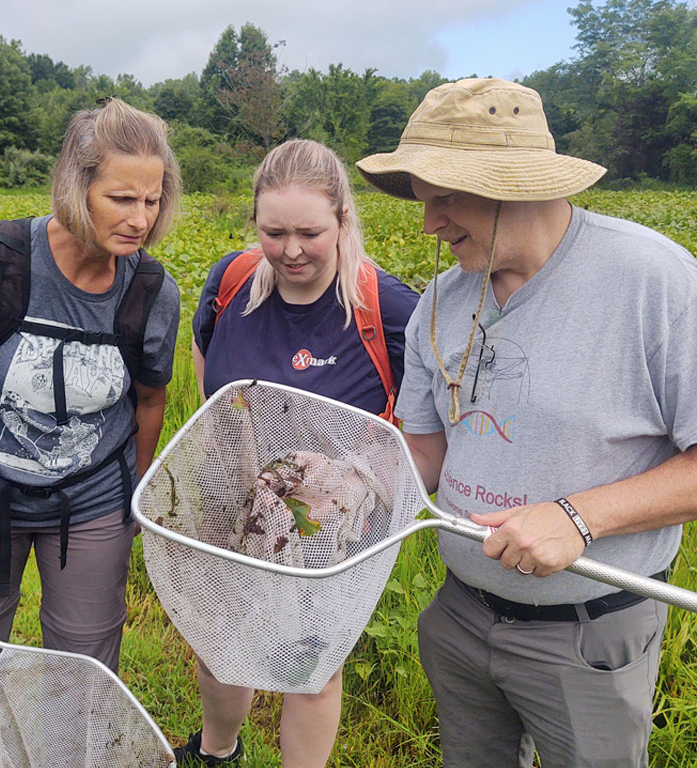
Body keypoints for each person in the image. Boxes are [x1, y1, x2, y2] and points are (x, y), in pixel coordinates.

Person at [355, 77, 697, 767]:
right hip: (460, 615)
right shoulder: (441, 302)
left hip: (587, 632)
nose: (430, 223)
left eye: (446, 196)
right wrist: (353, 481)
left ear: (514, 184)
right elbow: (424, 451)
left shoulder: (655, 282)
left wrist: (576, 518)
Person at [183, 138, 418, 767]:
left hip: (327, 527)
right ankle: (216, 751)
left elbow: (427, 417)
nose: (291, 250)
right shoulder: (231, 283)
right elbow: (207, 372)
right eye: (273, 231)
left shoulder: (386, 308)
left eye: (310, 232)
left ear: (344, 219)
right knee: (221, 639)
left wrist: (365, 479)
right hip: (230, 497)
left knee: (310, 659)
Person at [0, 97, 181, 676]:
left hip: (91, 499)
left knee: (85, 660)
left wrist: (133, 498)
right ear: (75, 185)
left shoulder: (150, 292)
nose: (141, 219)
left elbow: (149, 399)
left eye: (151, 198)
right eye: (121, 198)